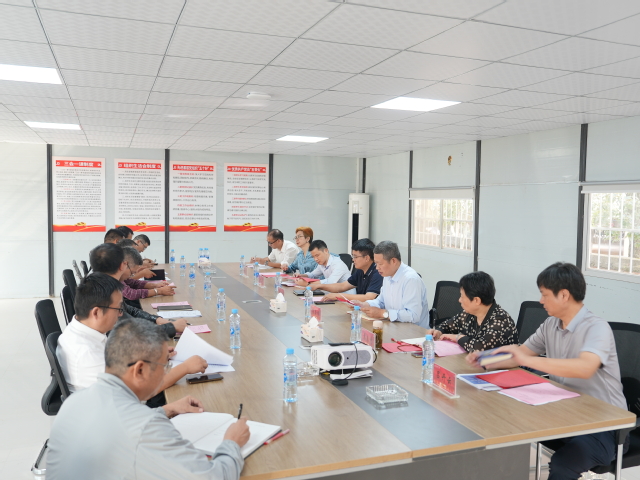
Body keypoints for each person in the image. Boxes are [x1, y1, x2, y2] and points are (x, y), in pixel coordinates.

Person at [467, 263, 629, 480]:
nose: (541, 301)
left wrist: (526, 360)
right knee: (507, 430)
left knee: (563, 465)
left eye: (544, 295)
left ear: (564, 295)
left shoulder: (596, 328)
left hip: (605, 426)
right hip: (564, 414)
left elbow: (585, 367)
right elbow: (521, 353)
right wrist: (485, 359)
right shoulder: (551, 325)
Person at [47, 317, 249, 480]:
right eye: (164, 365)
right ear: (140, 370)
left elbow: (120, 425)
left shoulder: (73, 402)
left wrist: (166, 410)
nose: (165, 372)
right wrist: (231, 442)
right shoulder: (146, 427)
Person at [56, 274, 207, 395]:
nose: (120, 314)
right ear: (96, 312)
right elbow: (139, 391)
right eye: (118, 309)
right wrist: (185, 367)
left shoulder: (81, 329)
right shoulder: (87, 354)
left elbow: (115, 361)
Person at [90, 243, 186, 338]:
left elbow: (128, 310)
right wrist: (172, 327)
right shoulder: (106, 292)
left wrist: (157, 319)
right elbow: (135, 333)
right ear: (122, 265)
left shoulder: (104, 283)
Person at [425, 271, 517, 352]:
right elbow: (448, 325)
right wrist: (439, 331)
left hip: (500, 365)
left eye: (462, 296)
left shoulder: (501, 321)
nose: (459, 300)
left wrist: (458, 338)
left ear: (476, 300)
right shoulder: (468, 313)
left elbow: (480, 348)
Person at [354, 241, 429, 328]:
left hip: (413, 332)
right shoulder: (388, 275)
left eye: (380, 264)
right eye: (376, 264)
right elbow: (381, 301)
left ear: (393, 261)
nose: (377, 268)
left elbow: (413, 315)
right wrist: (365, 304)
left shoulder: (411, 279)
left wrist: (383, 313)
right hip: (394, 326)